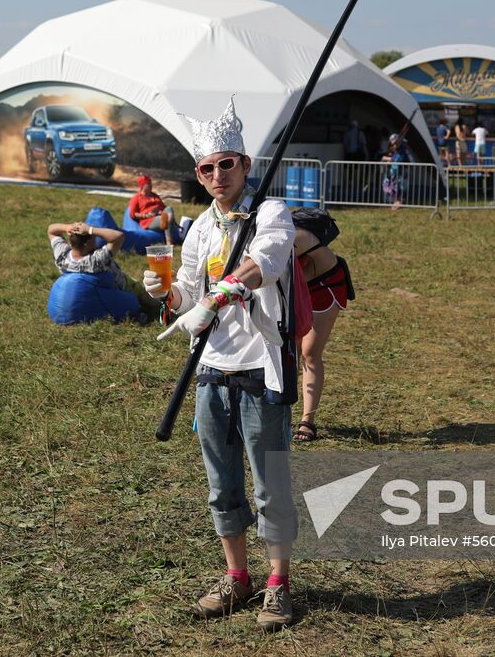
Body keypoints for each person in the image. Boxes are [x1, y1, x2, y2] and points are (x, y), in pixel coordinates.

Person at [142, 98, 298, 631]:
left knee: (271, 483)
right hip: (210, 367)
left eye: (225, 164)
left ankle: (278, 584)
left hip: (260, 366)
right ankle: (237, 577)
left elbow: (268, 261)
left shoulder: (270, 212)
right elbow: (188, 290)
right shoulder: (200, 229)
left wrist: (221, 293)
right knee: (221, 484)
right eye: (206, 169)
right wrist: (168, 294)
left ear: (245, 164)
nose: (217, 176)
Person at [291, 215, 353, 444]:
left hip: (325, 285)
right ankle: (280, 409)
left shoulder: (296, 236)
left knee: (310, 352)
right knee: (289, 350)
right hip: (297, 285)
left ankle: (307, 420)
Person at [46, 217, 158, 315]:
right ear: (87, 243)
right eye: (93, 238)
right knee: (142, 292)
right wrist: (90, 230)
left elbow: (51, 230)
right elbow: (119, 236)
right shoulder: (96, 261)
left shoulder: (62, 256)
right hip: (120, 288)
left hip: (85, 296)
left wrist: (68, 227)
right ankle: (157, 308)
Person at [127, 174, 177, 245]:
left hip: (160, 215)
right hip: (149, 220)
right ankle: (169, 242)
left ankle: (168, 221)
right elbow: (132, 214)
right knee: (165, 218)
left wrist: (161, 211)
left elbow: (164, 207)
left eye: (151, 183)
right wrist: (146, 215)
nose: (151, 185)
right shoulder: (136, 198)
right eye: (148, 184)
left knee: (169, 208)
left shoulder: (155, 196)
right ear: (142, 186)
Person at [381, 133, 409, 211]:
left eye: (395, 142)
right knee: (389, 186)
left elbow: (397, 159)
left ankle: (398, 202)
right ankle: (396, 201)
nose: (393, 144)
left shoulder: (402, 149)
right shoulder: (394, 148)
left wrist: (387, 159)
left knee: (399, 187)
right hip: (393, 171)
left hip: (400, 171)